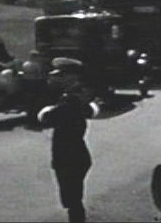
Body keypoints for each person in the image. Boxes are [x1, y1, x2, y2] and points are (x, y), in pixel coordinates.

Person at [37, 57, 102, 223]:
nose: (57, 79)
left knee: (72, 200)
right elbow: (90, 110)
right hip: (76, 155)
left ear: (71, 77)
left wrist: (45, 111)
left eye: (61, 75)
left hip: (69, 157)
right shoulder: (78, 96)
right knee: (73, 198)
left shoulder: (70, 100)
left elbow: (46, 118)